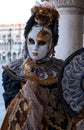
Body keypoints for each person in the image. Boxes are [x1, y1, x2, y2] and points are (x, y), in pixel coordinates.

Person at [1, 1, 84, 130]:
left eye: (42, 43)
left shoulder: (63, 69)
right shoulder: (12, 73)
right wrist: (32, 83)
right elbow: (15, 119)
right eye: (31, 41)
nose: (34, 48)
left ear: (52, 45)